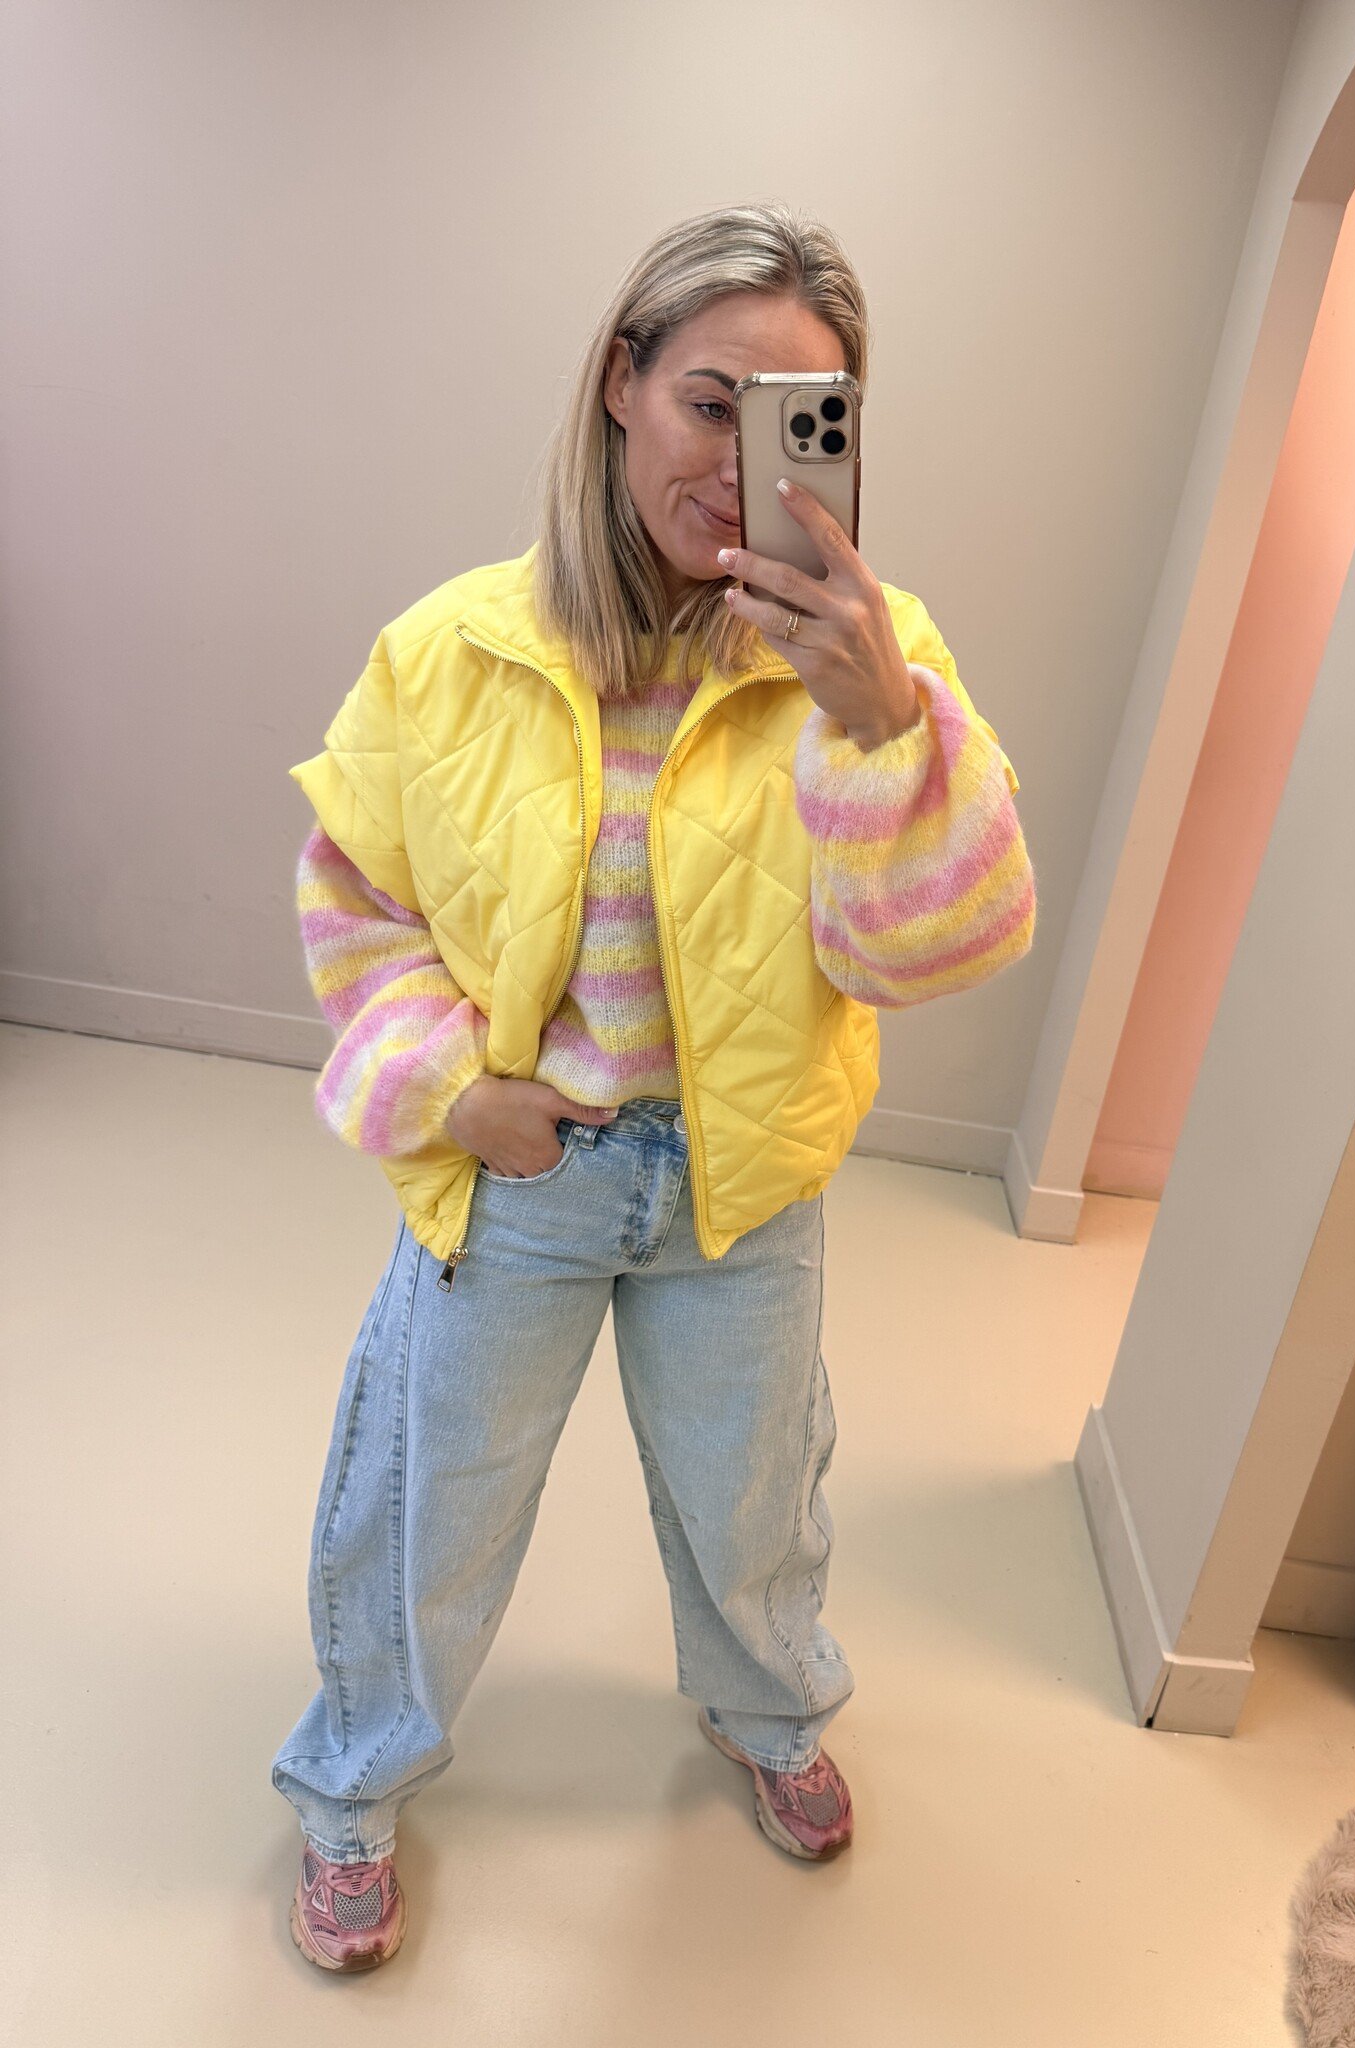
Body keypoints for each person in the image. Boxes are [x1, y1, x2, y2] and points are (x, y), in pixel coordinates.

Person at [273, 200, 1037, 1972]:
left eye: (797, 421)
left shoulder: (877, 654)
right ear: (620, 383)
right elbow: (357, 903)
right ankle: (353, 1783)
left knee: (753, 1494)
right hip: (525, 1167)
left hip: (740, 1180)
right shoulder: (453, 646)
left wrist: (881, 728)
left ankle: (770, 1713)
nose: (737, 462)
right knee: (429, 1500)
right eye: (710, 402)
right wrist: (452, 1093)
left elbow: (935, 949)